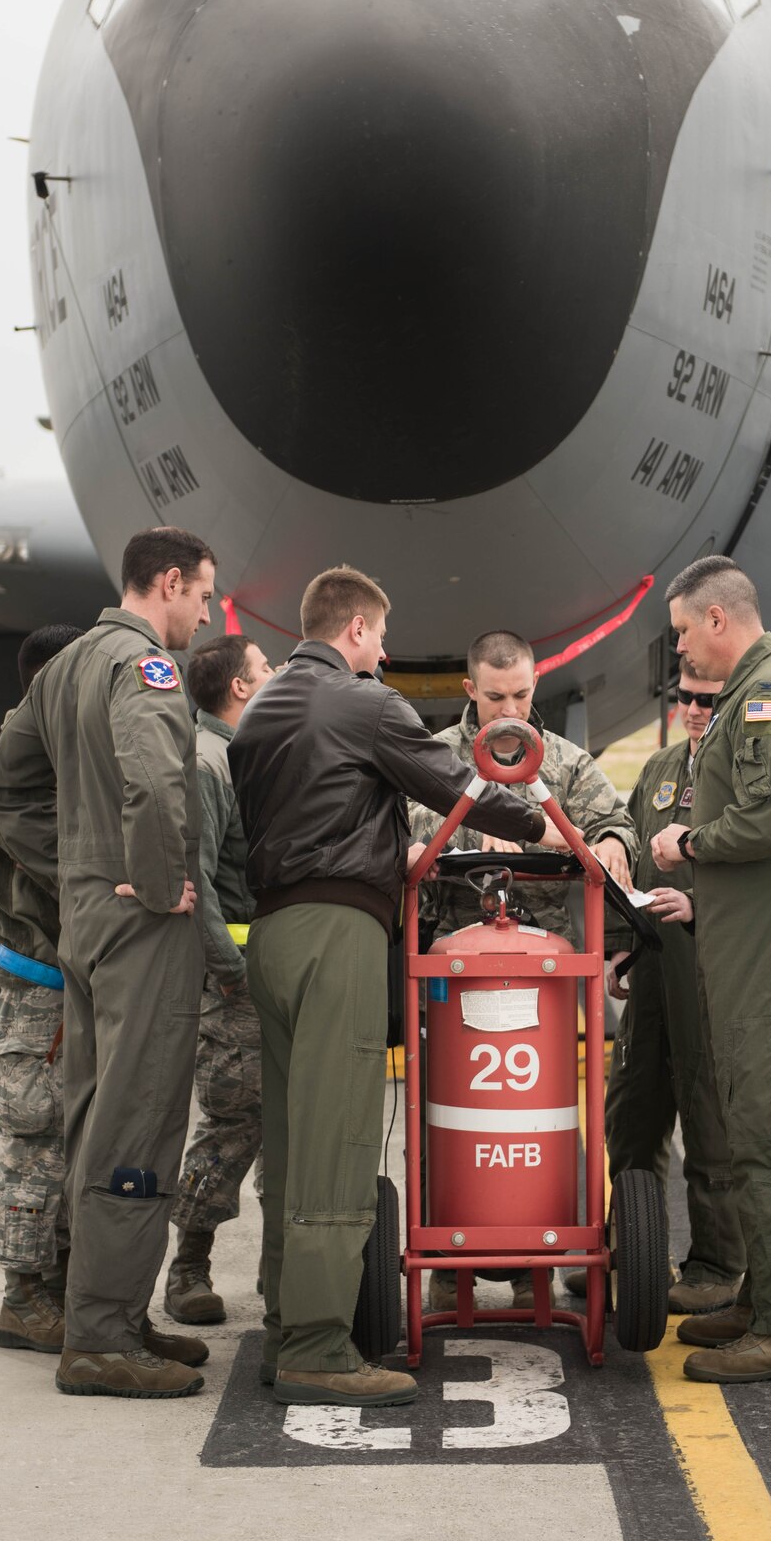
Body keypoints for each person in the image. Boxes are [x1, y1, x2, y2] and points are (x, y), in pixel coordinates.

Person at [230, 566, 567, 1410]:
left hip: (269, 934)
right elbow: (460, 789)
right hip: (337, 932)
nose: (383, 653)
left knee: (288, 1141)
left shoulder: (261, 708)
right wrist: (535, 824)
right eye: (378, 637)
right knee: (339, 1144)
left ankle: (284, 1327)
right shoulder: (364, 702)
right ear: (354, 631)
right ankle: (319, 1348)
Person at [0, 525, 217, 1399]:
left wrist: (82, 867)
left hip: (85, 926)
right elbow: (156, 785)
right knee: (138, 1117)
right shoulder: (142, 668)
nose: (206, 610)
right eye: (201, 593)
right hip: (139, 930)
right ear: (165, 582)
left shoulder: (69, 662)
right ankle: (103, 1340)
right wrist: (152, 883)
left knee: (91, 1116)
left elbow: (3, 789)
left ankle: (105, 1309)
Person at [651, 555, 771, 1384]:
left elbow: (764, 821)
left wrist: (685, 842)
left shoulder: (768, 696)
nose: (681, 653)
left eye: (684, 633)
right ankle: (764, 1301)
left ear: (717, 620)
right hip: (752, 932)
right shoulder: (748, 693)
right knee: (749, 1115)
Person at [406, 628, 637, 1313]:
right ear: (469, 690)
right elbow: (407, 823)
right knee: (448, 1116)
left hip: (545, 978)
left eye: (522, 695)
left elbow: (612, 820)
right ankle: (452, 1263)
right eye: (495, 696)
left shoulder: (560, 762)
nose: (508, 710)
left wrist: (615, 845)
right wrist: (475, 834)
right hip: (453, 978)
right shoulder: (437, 759)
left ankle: (550, 1239)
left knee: (547, 1116)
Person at [600, 669, 747, 1316]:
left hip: (709, 970)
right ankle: (628, 1252)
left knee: (708, 1119)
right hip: (654, 966)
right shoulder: (660, 766)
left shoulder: (739, 772)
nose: (693, 708)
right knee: (631, 1116)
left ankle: (716, 1263)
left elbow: (760, 867)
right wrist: (617, 947)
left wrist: (697, 903)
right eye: (684, 696)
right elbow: (626, 861)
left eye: (708, 700)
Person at [0, 623, 84, 1355]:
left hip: (67, 990)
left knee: (70, 1147)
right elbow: (58, 871)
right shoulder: (17, 772)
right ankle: (24, 1297)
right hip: (36, 991)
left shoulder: (53, 761)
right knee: (34, 1146)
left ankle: (66, 1289)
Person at [165, 632, 273, 1324]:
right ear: (238, 686)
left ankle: (281, 1274)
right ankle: (188, 1266)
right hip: (236, 985)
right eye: (263, 669)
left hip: (266, 972)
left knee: (284, 1127)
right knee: (233, 1125)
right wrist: (230, 974)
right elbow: (194, 882)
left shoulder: (240, 756)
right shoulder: (208, 763)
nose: (273, 676)